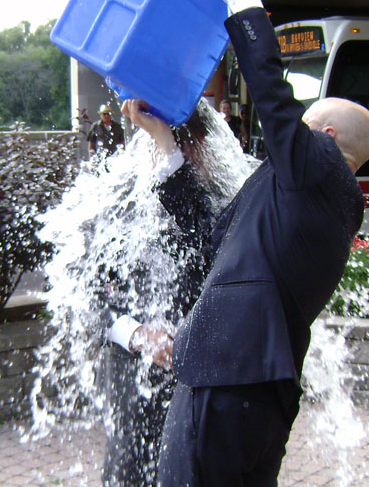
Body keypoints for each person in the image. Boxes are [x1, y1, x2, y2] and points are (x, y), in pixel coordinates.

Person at [124, 0, 369, 484]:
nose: (292, 134)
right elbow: (215, 239)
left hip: (227, 381)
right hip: (253, 391)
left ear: (326, 136)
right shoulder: (308, 205)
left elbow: (270, 93)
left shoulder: (320, 169)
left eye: (304, 126)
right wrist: (166, 146)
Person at [97, 103, 228, 487]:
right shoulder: (117, 205)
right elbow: (91, 300)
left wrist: (168, 151)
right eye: (173, 146)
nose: (186, 157)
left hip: (196, 389)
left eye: (186, 146)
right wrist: (137, 333)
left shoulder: (219, 203)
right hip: (132, 385)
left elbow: (199, 235)